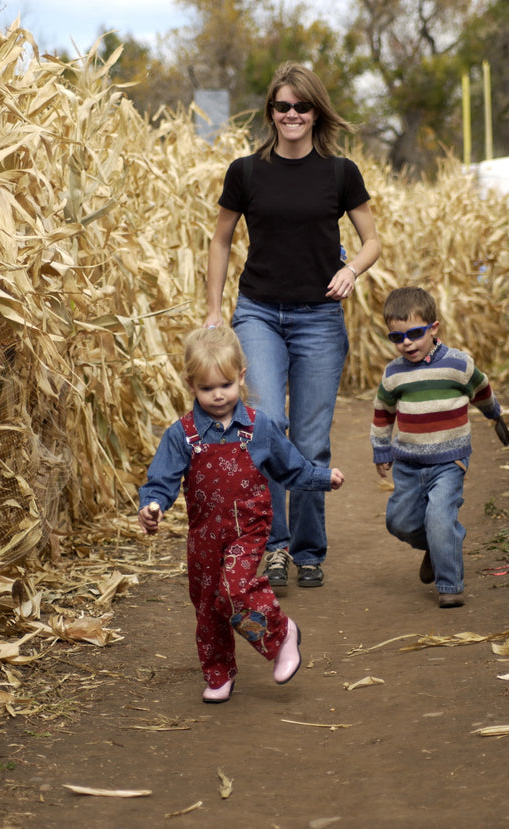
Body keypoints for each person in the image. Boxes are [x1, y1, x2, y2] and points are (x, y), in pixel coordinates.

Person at [206, 61, 380, 590]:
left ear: (315, 111)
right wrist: (214, 310)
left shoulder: (339, 172)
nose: (292, 115)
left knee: (310, 440)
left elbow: (372, 240)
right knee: (266, 426)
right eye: (282, 106)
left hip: (319, 319)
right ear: (271, 112)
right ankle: (275, 547)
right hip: (258, 310)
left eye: (302, 106)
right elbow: (221, 239)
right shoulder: (246, 171)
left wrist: (351, 270)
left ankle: (308, 551)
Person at [138, 327, 344, 703]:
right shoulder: (181, 435)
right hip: (203, 535)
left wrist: (320, 478)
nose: (218, 395)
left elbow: (290, 467)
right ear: (191, 385)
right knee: (207, 604)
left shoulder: (258, 427)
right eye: (206, 388)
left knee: (233, 589)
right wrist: (152, 506)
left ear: (242, 377)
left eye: (226, 384)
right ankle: (218, 672)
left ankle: (282, 636)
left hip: (247, 529)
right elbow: (161, 480)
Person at [370, 287, 509, 608]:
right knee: (399, 522)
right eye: (397, 337)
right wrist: (380, 450)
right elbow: (382, 412)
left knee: (440, 519)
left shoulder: (457, 365)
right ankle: (437, 546)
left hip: (450, 461)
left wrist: (495, 415)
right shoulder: (394, 374)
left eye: (415, 334)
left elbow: (481, 389)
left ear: (434, 328)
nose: (406, 343)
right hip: (408, 464)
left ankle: (450, 585)